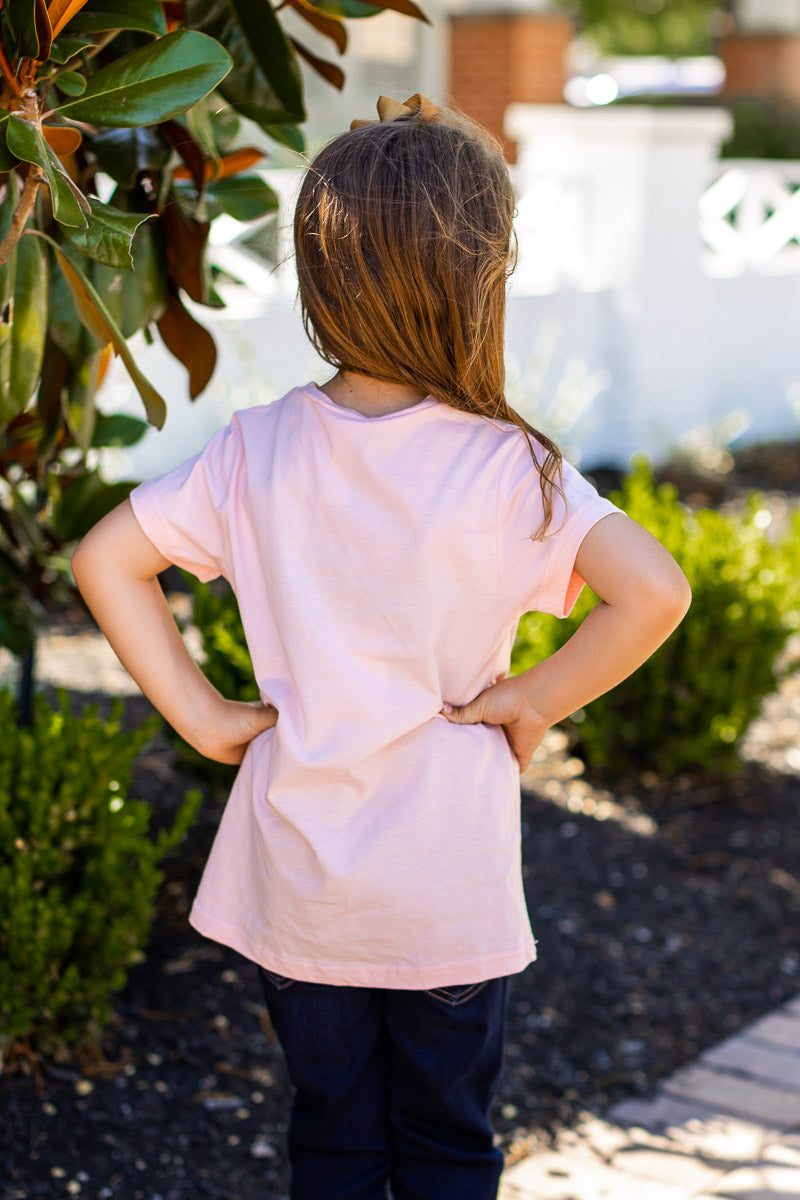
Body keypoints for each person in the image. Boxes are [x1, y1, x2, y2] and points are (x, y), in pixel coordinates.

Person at [72, 93, 691, 1200]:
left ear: (318, 280)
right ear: (474, 284)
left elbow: (104, 560)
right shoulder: (509, 469)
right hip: (443, 891)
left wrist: (207, 717)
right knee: (446, 1145)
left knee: (336, 1140)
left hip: (296, 888)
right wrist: (533, 697)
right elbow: (652, 592)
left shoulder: (255, 447)